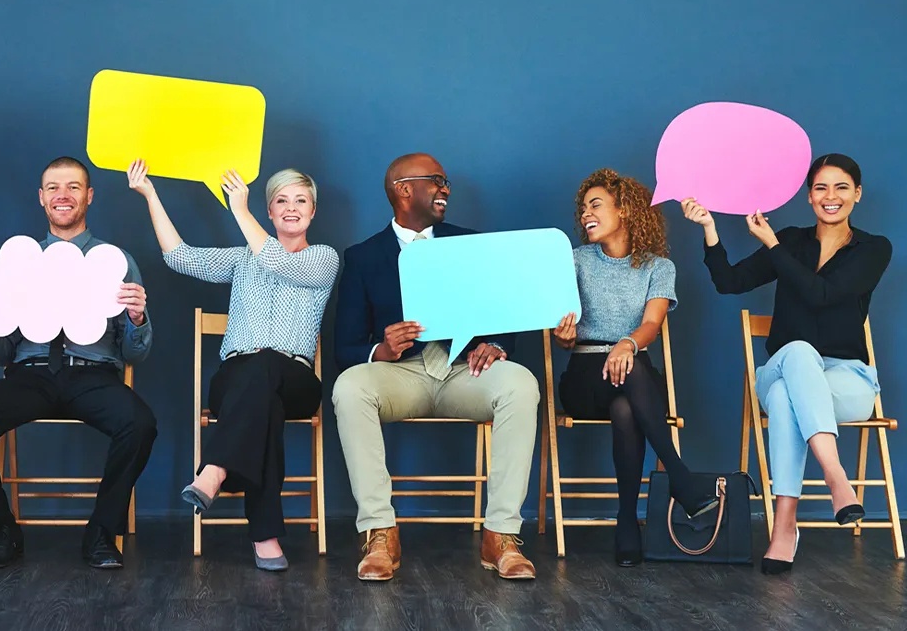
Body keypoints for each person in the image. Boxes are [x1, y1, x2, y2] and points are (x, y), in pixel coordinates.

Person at [331, 153, 541, 582]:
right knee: (350, 386)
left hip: (466, 373)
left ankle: (500, 535)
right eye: (437, 181)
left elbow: (507, 320)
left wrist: (497, 345)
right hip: (401, 375)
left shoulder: (472, 245)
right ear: (403, 189)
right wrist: (382, 350)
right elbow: (345, 347)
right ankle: (379, 532)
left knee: (521, 383)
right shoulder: (362, 257)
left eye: (447, 182)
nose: (446, 189)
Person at [681, 153, 891, 575]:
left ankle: (785, 526)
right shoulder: (793, 240)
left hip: (846, 381)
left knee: (783, 399)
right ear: (809, 195)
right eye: (820, 188)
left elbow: (823, 296)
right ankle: (837, 478)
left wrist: (773, 246)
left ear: (858, 194)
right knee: (796, 353)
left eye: (841, 187)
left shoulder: (873, 249)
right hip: (785, 365)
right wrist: (709, 229)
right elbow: (729, 282)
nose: (830, 197)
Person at [0, 156, 156, 571]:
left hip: (93, 374)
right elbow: (2, 355)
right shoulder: (18, 262)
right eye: (54, 187)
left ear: (89, 197)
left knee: (141, 423)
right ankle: (1, 529)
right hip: (31, 375)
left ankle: (101, 532)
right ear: (41, 198)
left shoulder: (114, 261)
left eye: (74, 187)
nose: (63, 195)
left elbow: (136, 353)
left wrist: (138, 319)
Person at [129, 160, 338, 571]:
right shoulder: (243, 259)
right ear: (271, 211)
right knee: (263, 401)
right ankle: (265, 536)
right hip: (237, 381)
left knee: (267, 372)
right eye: (281, 200)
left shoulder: (323, 259)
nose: (291, 208)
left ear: (313, 212)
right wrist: (150, 195)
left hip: (296, 378)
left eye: (301, 201)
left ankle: (214, 469)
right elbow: (179, 257)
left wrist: (239, 210)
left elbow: (279, 262)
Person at [553, 169, 720, 568]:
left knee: (628, 404)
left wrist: (626, 344)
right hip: (584, 377)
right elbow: (562, 334)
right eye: (583, 209)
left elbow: (651, 325)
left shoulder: (659, 267)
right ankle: (681, 478)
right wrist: (563, 335)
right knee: (629, 385)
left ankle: (626, 519)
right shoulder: (574, 261)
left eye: (596, 205)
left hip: (633, 371)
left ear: (625, 209)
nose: (585, 215)